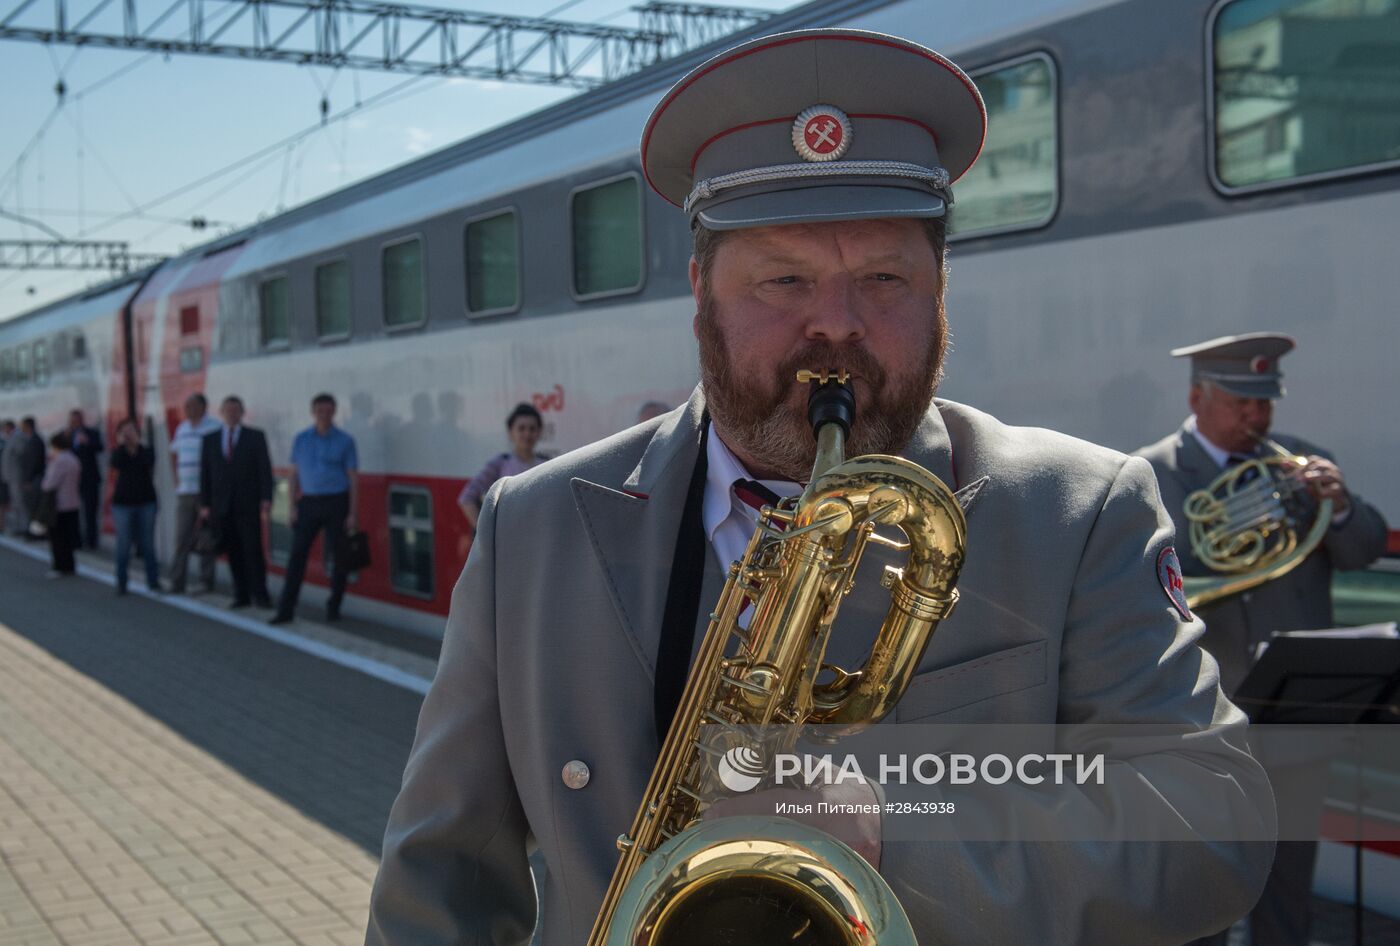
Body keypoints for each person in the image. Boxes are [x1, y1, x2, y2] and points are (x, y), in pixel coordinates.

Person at [366, 29, 1274, 946]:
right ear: (699, 292)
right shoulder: (533, 525)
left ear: (940, 292)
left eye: (884, 277)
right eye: (782, 279)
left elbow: (1211, 815)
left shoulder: (1081, 509)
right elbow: (438, 873)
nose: (835, 325)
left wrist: (891, 831)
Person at [1134, 333, 1388, 946]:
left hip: (1295, 720)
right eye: (1241, 404)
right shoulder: (1148, 473)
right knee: (1201, 886)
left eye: (1265, 404)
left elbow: (1364, 548)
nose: (1257, 418)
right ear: (1198, 397)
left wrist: (1344, 507)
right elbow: (1138, 589)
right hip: (1201, 716)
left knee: (1287, 886)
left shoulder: (1304, 466)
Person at [271, 393, 360, 624]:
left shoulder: (345, 441)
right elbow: (293, 476)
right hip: (308, 502)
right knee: (297, 556)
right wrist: (291, 507)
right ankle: (285, 609)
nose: (324, 414)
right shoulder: (301, 439)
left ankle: (334, 607)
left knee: (339, 558)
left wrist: (352, 513)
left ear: (334, 412)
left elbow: (352, 478)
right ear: (313, 412)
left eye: (329, 410)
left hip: (336, 502)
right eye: (320, 410)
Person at [200, 396, 274, 609]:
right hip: (221, 506)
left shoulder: (255, 437)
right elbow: (205, 474)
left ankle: (261, 594)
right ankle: (241, 594)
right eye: (228, 410)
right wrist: (205, 504)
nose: (232, 414)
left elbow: (264, 470)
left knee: (253, 550)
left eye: (236, 410)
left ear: (242, 413)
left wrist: (266, 498)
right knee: (233, 552)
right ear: (221, 413)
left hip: (248, 504)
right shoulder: (210, 439)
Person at [456, 403, 550, 531]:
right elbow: (466, 498)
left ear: (539, 432)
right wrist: (484, 534)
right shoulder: (500, 463)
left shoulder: (548, 465)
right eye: (521, 428)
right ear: (511, 432)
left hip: (540, 535)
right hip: (509, 538)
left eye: (532, 429)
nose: (527, 434)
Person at [167, 393, 223, 594]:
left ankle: (206, 581)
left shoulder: (215, 427)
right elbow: (173, 454)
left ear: (203, 407)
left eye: (192, 406)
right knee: (181, 537)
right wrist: (177, 480)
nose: (188, 409)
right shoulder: (182, 428)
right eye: (186, 406)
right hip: (185, 492)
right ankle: (177, 581)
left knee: (206, 538)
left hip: (205, 492)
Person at [107, 418, 162, 594]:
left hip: (146, 501)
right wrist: (123, 445)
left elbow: (149, 462)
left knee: (147, 543)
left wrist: (137, 445)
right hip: (123, 503)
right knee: (123, 543)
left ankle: (153, 581)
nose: (129, 434)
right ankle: (121, 581)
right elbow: (115, 464)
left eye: (132, 430)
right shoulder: (118, 452)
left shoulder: (146, 450)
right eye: (125, 431)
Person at [39, 431, 81, 578]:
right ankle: (70, 565)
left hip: (59, 504)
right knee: (68, 537)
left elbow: (49, 484)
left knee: (57, 537)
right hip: (73, 502)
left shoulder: (59, 461)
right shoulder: (73, 459)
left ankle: (59, 566)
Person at [67, 408, 105, 550]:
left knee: (90, 510)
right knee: (73, 510)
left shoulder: (91, 433)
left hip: (89, 477)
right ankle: (76, 539)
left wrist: (87, 442)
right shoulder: (67, 435)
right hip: (72, 479)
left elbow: (100, 447)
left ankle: (91, 540)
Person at [15, 417, 46, 539]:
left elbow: (33, 463)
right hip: (33, 478)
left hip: (34, 479)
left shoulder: (35, 441)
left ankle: (36, 533)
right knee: (31, 506)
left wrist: (28, 479)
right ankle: (32, 531)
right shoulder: (32, 440)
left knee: (34, 507)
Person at [0, 419, 13, 530]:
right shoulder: (5, 441)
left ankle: (2, 524)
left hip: (4, 476)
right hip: (4, 475)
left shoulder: (5, 442)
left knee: (3, 502)